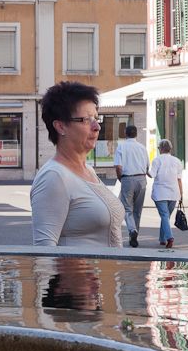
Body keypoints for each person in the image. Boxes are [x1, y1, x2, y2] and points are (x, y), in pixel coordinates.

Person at [30, 81, 125, 247]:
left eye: (96, 118)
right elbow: (44, 251)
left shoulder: (88, 170)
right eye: (86, 120)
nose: (97, 127)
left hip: (105, 272)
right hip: (79, 273)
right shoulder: (54, 177)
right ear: (60, 127)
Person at [113, 123, 150, 248]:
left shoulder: (121, 147)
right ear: (136, 134)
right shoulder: (142, 147)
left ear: (125, 134)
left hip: (128, 179)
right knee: (137, 210)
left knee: (127, 208)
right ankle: (134, 235)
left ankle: (132, 230)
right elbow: (147, 166)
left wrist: (120, 178)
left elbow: (118, 166)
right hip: (142, 179)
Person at [148, 139, 184, 249]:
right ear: (170, 149)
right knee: (166, 216)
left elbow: (152, 174)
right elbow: (179, 180)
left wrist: (145, 170)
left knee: (164, 216)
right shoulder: (177, 161)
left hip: (160, 193)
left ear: (160, 149)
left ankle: (169, 237)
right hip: (174, 193)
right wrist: (181, 195)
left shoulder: (157, 160)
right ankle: (162, 239)